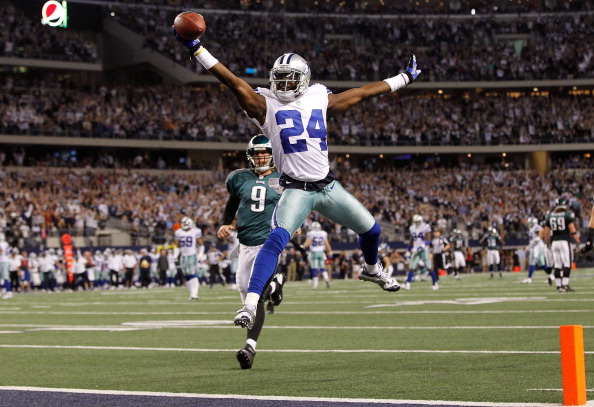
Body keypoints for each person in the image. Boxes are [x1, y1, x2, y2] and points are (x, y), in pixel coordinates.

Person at [172, 29, 420, 329]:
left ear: (303, 79)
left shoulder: (318, 95)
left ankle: (371, 269)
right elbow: (232, 81)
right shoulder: (264, 104)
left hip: (327, 186)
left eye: (290, 77)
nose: (283, 83)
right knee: (275, 240)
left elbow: (361, 94)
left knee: (372, 231)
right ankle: (249, 305)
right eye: (279, 77)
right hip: (296, 191)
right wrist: (198, 50)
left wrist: (403, 78)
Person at [217, 134, 286, 369]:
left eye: (265, 152)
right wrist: (225, 223)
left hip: (270, 241)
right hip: (245, 243)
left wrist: (295, 226)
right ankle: (276, 283)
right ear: (250, 156)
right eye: (257, 154)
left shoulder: (284, 178)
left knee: (256, 295)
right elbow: (232, 203)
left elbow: (297, 205)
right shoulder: (239, 179)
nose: (261, 157)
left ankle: (250, 347)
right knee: (246, 293)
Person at [543, 198, 580, 292]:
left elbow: (547, 233)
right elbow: (572, 230)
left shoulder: (550, 216)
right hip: (564, 241)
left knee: (557, 265)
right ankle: (565, 284)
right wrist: (577, 241)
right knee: (567, 263)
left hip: (554, 242)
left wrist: (548, 243)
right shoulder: (567, 215)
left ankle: (559, 286)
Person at [174, 216, 204, 300]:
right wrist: (175, 255)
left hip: (192, 255)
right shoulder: (178, 232)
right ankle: (192, 293)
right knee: (186, 274)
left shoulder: (196, 231)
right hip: (183, 255)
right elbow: (177, 245)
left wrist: (200, 255)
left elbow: (201, 245)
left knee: (191, 273)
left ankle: (195, 293)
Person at [303, 221, 333, 289]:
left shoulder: (311, 233)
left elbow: (308, 242)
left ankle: (315, 284)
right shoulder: (323, 233)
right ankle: (326, 278)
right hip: (321, 252)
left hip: (314, 252)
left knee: (314, 268)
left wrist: (302, 247)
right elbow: (327, 244)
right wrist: (330, 251)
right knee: (322, 267)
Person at [522, 217, 552, 284]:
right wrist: (529, 246)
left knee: (532, 262)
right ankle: (551, 275)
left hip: (538, 247)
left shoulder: (537, 227)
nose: (529, 224)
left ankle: (529, 278)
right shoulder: (531, 229)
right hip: (534, 247)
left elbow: (541, 234)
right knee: (542, 264)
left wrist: (538, 239)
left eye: (530, 222)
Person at [404, 214, 431, 290]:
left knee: (428, 266)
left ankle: (435, 283)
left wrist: (423, 245)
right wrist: (408, 250)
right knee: (412, 266)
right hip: (415, 249)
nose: (418, 223)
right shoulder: (412, 228)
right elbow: (412, 240)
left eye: (418, 221)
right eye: (416, 221)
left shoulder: (425, 226)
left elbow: (428, 239)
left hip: (424, 249)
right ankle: (408, 284)